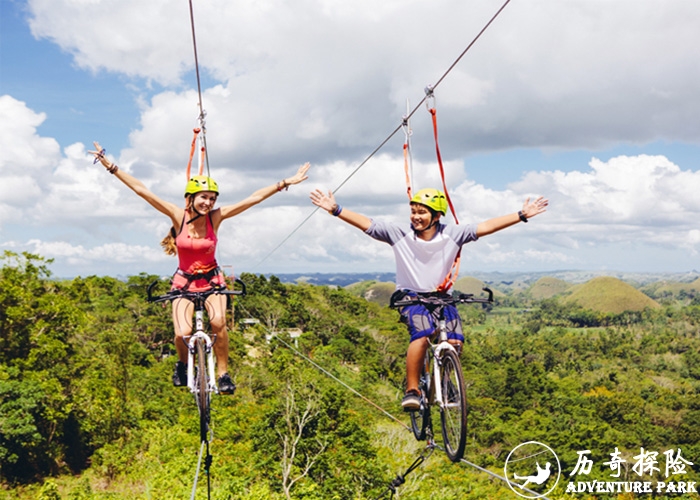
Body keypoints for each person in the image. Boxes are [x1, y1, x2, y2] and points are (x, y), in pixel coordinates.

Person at [91, 141, 310, 394]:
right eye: (204, 197)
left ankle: (224, 373)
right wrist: (111, 167)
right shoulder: (178, 216)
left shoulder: (215, 218)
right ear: (191, 197)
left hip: (212, 280)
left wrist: (285, 182)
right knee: (181, 332)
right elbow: (143, 191)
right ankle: (183, 365)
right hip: (184, 282)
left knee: (218, 323)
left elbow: (253, 199)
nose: (208, 202)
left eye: (212, 198)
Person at [309, 187, 548, 410]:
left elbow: (486, 227)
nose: (415, 216)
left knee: (455, 343)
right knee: (423, 335)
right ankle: (412, 389)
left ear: (436, 216)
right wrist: (335, 209)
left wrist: (522, 215)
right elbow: (367, 224)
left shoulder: (453, 234)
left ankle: (443, 381)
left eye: (421, 212)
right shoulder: (399, 233)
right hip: (410, 296)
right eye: (413, 211)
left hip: (442, 297)